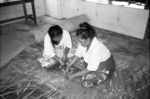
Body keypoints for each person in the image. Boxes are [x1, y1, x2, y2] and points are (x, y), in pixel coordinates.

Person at [66, 22, 115, 87]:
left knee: (86, 82)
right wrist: (69, 65)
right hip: (92, 63)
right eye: (78, 40)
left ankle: (102, 74)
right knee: (70, 61)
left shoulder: (97, 49)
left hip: (104, 67)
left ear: (88, 39)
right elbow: (78, 54)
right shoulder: (83, 42)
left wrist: (74, 75)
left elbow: (89, 69)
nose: (79, 43)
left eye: (81, 41)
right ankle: (86, 71)